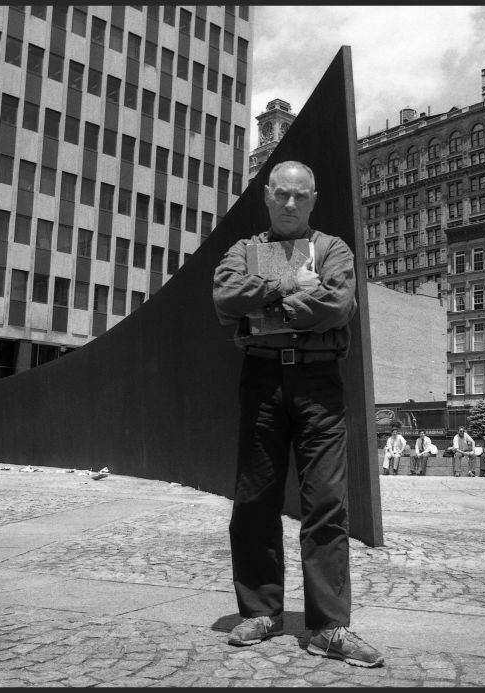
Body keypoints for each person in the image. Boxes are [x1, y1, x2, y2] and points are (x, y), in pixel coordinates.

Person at [211, 161, 383, 667]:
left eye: (300, 196)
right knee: (255, 497)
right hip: (262, 379)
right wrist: (294, 287)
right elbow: (225, 295)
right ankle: (261, 610)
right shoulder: (243, 249)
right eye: (282, 194)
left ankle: (328, 626)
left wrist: (264, 299)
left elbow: (338, 305)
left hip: (319, 383)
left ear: (314, 198)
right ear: (266, 195)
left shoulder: (333, 249)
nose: (290, 204)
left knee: (327, 501)